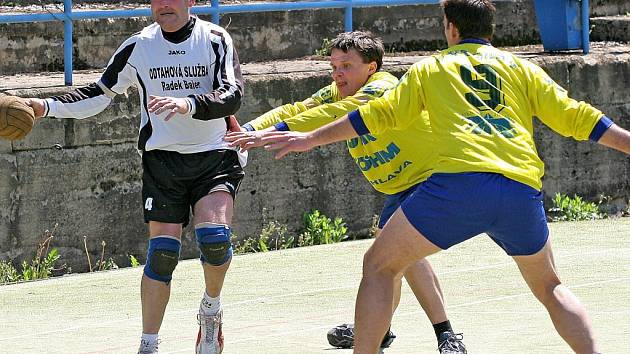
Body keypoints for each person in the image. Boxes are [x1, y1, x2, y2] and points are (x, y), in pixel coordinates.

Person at [229, 0, 630, 353]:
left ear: (451, 29)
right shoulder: (520, 67)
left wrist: (309, 140)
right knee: (550, 286)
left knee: (379, 266)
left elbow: (377, 115)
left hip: (455, 186)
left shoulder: (431, 68)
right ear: (490, 30)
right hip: (521, 188)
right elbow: (577, 117)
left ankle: (387, 343)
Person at [25, 0, 245, 353]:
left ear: (191, 2)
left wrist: (187, 104)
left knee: (215, 240)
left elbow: (232, 95)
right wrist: (46, 106)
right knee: (162, 253)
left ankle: (210, 310)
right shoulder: (139, 45)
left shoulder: (215, 38)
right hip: (163, 161)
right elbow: (99, 93)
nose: (164, 4)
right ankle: (149, 344)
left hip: (215, 154)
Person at [227, 31, 466, 353]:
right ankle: (379, 330)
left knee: (398, 254)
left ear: (371, 67)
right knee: (390, 261)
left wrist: (273, 134)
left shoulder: (382, 88)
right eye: (334, 65)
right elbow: (296, 108)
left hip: (430, 178)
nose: (338, 73)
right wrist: (249, 131)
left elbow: (336, 115)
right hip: (399, 187)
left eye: (347, 65)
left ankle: (444, 335)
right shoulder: (337, 90)